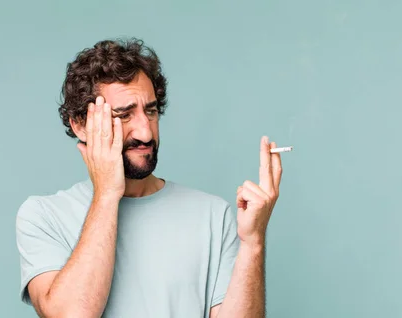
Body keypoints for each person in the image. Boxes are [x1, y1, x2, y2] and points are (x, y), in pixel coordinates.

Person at [15, 38, 284, 318]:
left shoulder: (213, 215)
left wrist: (253, 242)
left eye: (151, 111)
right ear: (80, 125)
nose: (145, 133)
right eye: (124, 115)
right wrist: (107, 192)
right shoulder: (43, 216)